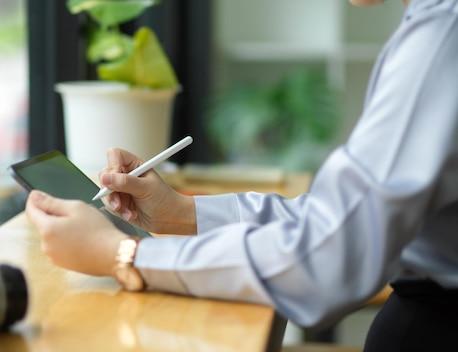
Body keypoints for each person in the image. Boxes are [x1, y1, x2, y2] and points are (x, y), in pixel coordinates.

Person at [25, 0, 458, 350]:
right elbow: (341, 220)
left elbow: (328, 256)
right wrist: (180, 212)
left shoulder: (442, 35)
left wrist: (125, 256)